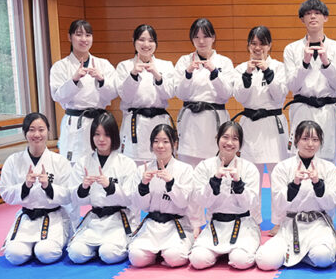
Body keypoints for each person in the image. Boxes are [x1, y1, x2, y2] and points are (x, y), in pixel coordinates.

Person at [255, 120, 336, 270]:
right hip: (290, 225)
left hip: (318, 226)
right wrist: (294, 185)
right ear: (296, 140)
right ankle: (304, 255)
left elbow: (333, 202)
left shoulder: (329, 169)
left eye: (315, 139)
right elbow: (278, 203)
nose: (310, 144)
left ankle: (299, 255)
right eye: (305, 139)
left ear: (320, 142)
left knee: (323, 257)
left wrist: (318, 184)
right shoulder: (282, 168)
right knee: (265, 261)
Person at [0, 113, 73, 265]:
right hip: (27, 218)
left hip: (53, 218)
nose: (37, 134)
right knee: (15, 256)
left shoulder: (60, 161)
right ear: (25, 133)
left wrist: (48, 187)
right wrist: (25, 186)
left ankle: (47, 244)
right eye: (32, 130)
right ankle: (28, 248)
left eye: (41, 129)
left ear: (48, 131)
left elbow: (69, 194)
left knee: (46, 253)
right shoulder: (13, 160)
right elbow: (5, 192)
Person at [67, 111, 139, 264]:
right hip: (95, 220)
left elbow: (131, 198)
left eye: (106, 134)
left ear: (114, 136)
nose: (101, 139)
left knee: (108, 254)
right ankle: (93, 250)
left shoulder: (126, 163)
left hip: (117, 220)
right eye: (97, 134)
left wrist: (110, 186)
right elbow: (74, 198)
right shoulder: (83, 162)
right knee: (76, 254)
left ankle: (102, 249)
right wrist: (84, 188)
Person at [283, 0, 336, 162]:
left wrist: (326, 63)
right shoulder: (291, 49)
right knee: (299, 158)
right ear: (302, 19)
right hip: (302, 108)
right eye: (308, 13)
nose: (313, 16)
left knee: (327, 159)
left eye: (317, 13)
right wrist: (304, 63)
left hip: (327, 110)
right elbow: (292, 85)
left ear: (325, 17)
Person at [189, 122, 261, 270]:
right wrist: (214, 182)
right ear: (217, 138)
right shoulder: (204, 166)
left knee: (240, 260)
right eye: (225, 137)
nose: (229, 142)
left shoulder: (249, 168)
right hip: (216, 225)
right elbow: (200, 201)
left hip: (242, 225)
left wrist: (238, 184)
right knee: (198, 260)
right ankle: (219, 253)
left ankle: (235, 252)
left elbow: (251, 204)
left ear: (240, 143)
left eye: (235, 138)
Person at [128, 124, 197, 267]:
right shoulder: (143, 170)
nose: (160, 146)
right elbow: (141, 206)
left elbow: (183, 203)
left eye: (165, 141)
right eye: (156, 141)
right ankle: (154, 255)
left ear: (174, 144)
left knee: (174, 257)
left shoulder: (185, 169)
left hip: (176, 225)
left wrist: (170, 182)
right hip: (152, 226)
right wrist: (143, 185)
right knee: (136, 258)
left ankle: (164, 253)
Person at [49, 19, 117, 163]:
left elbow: (114, 93)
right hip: (75, 122)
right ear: (69, 37)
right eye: (79, 34)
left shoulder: (103, 64)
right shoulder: (60, 66)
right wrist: (74, 80)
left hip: (99, 122)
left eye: (88, 35)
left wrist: (101, 79)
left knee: (101, 163)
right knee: (74, 164)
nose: (84, 39)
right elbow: (57, 96)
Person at [116, 24, 177, 166]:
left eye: (150, 40)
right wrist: (133, 74)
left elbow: (169, 93)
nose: (146, 44)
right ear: (134, 41)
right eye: (141, 40)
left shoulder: (166, 65)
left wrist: (157, 75)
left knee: (161, 163)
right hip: (135, 122)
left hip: (159, 122)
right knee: (133, 165)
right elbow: (125, 96)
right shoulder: (124, 66)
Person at [231, 25, 289, 175]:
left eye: (262, 43)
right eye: (253, 43)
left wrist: (267, 71)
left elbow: (279, 95)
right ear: (248, 46)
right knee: (250, 176)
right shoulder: (240, 69)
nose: (258, 48)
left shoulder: (279, 67)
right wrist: (247, 75)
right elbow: (240, 97)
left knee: (278, 175)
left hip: (273, 125)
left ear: (269, 45)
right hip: (250, 125)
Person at [175, 18, 234, 165]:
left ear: (213, 37)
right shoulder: (184, 61)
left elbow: (227, 94)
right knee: (188, 167)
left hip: (214, 120)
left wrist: (215, 73)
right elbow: (180, 94)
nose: (201, 41)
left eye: (205, 36)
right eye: (196, 37)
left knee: (215, 167)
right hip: (190, 121)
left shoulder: (224, 62)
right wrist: (188, 74)